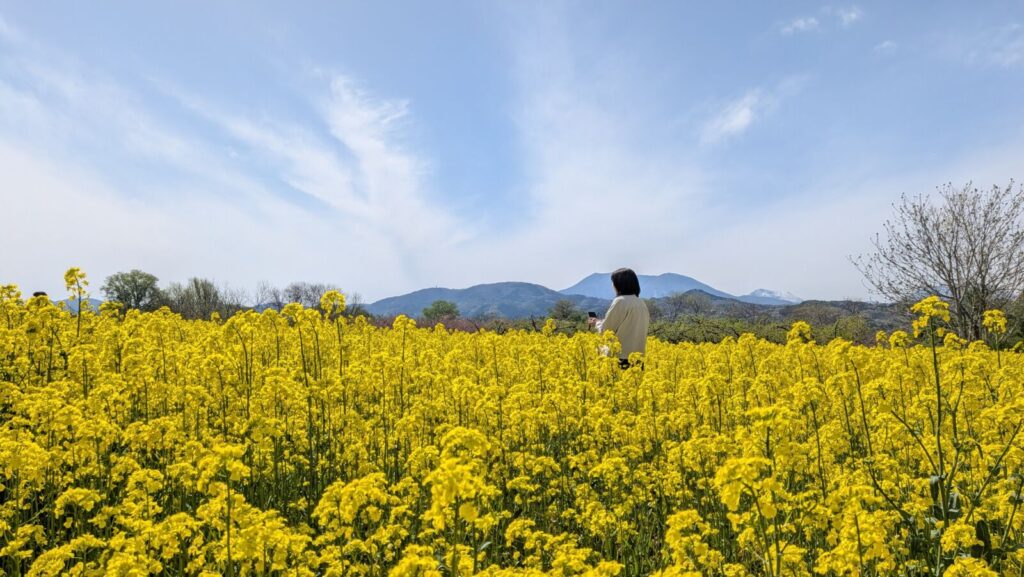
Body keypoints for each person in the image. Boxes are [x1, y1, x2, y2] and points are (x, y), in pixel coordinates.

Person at [588, 268, 650, 369]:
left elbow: (606, 330)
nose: (612, 286)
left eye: (613, 283)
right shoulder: (641, 303)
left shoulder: (620, 301)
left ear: (619, 284)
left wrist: (597, 323)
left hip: (620, 358)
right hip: (638, 358)